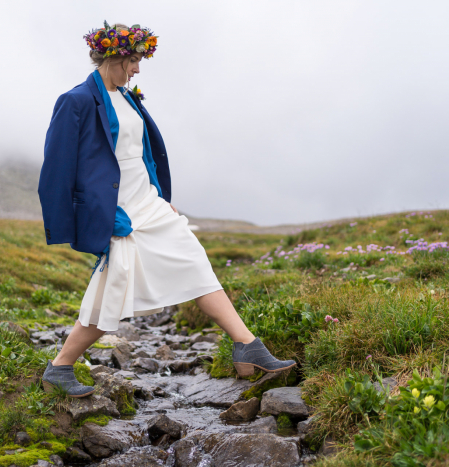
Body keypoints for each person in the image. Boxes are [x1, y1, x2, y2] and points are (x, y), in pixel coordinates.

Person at [38, 21, 295, 397]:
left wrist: (159, 195)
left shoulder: (128, 97)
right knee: (114, 290)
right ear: (113, 56)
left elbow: (138, 155)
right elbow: (58, 170)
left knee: (195, 260)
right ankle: (60, 367)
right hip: (119, 211)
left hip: (150, 205)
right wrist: (96, 217)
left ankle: (247, 345)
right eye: (133, 60)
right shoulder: (76, 101)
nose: (138, 69)